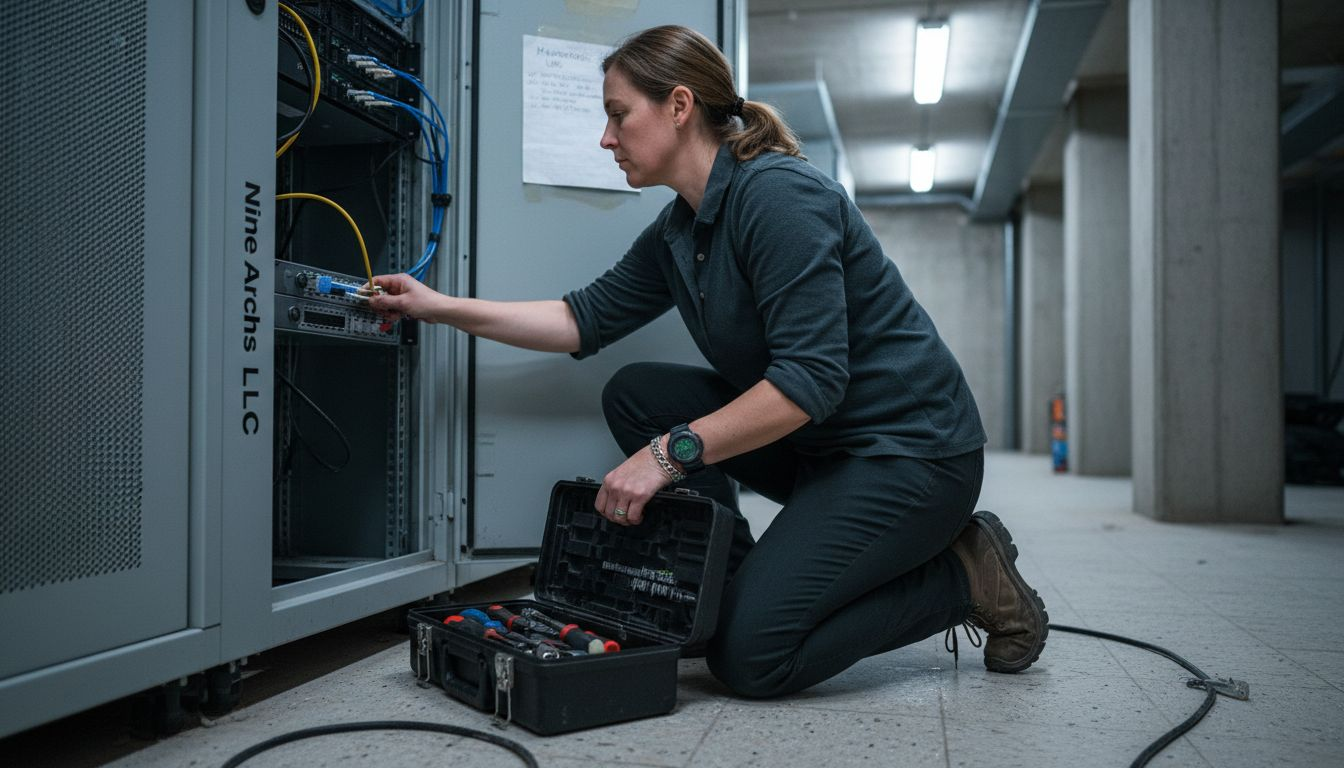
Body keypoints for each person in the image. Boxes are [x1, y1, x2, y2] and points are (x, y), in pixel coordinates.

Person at [369, 24, 1047, 698]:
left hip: (912, 455)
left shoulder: (779, 197)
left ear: (679, 105)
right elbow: (581, 317)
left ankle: (962, 577)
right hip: (825, 448)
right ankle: (728, 586)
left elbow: (810, 381)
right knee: (638, 392)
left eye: (617, 115)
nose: (606, 139)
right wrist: (439, 306)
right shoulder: (678, 230)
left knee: (752, 659)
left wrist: (666, 456)